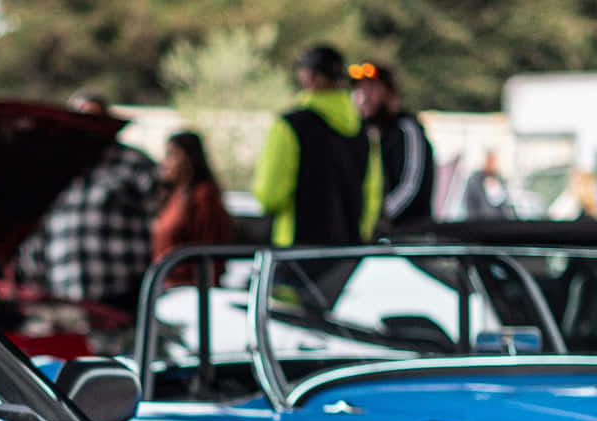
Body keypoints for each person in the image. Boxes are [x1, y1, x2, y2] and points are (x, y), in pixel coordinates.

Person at [18, 90, 159, 320]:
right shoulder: (53, 166)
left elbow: (161, 218)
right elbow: (39, 224)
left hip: (121, 291)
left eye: (95, 119)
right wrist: (31, 273)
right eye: (80, 119)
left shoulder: (134, 163)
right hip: (63, 293)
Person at [252, 45, 382, 246]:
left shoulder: (289, 126)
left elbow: (270, 196)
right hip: (348, 253)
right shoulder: (364, 132)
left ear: (309, 77)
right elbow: (373, 194)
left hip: (296, 251)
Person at [350, 60, 435, 228]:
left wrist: (382, 215)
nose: (363, 96)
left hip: (406, 233)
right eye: (359, 89)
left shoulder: (407, 129)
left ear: (390, 93)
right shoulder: (358, 132)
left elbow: (411, 184)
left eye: (372, 89)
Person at [152, 131, 236, 272]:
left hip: (189, 288)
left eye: (172, 155)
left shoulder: (203, 196)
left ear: (189, 158)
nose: (165, 162)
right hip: (166, 283)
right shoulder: (174, 195)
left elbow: (210, 250)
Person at [461, 151, 516, 220]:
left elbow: (505, 204)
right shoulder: (474, 180)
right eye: (490, 160)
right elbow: (469, 203)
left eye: (494, 161)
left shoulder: (499, 180)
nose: (492, 164)